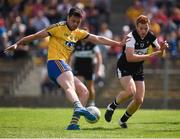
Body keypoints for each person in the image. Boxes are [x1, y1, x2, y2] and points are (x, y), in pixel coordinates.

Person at [5, 7, 123, 130]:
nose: (75, 24)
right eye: (73, 21)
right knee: (70, 87)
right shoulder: (58, 27)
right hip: (55, 62)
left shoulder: (78, 32)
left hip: (62, 67)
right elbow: (36, 36)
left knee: (84, 91)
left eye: (78, 22)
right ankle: (78, 106)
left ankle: (73, 124)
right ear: (68, 18)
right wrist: (18, 43)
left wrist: (118, 44)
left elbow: (98, 39)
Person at [104, 15, 168, 128]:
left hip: (138, 68)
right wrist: (148, 56)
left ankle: (122, 120)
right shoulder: (131, 37)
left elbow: (160, 55)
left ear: (149, 27)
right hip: (125, 66)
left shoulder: (151, 36)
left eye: (146, 28)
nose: (143, 31)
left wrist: (162, 50)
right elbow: (130, 58)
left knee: (139, 99)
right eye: (141, 28)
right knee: (130, 91)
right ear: (136, 27)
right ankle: (111, 106)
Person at [71, 27, 102, 106]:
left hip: (89, 68)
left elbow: (99, 57)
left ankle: (92, 102)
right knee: (79, 87)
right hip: (78, 68)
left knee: (90, 87)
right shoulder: (75, 43)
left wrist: (98, 70)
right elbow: (69, 56)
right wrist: (69, 67)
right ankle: (80, 104)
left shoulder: (92, 44)